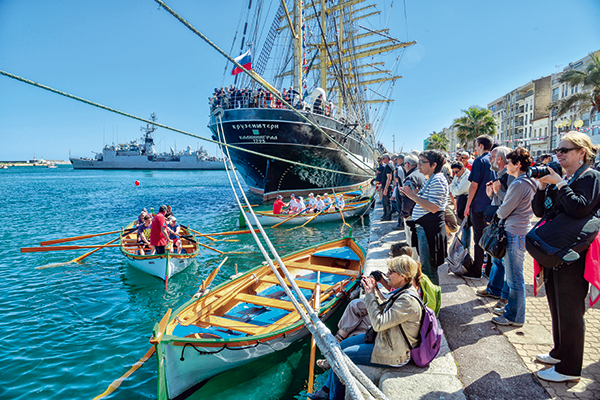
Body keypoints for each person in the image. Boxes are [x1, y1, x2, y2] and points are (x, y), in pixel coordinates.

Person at [532, 132, 600, 383]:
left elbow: (579, 207)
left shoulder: (591, 177)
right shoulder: (566, 177)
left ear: (581, 152)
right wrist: (542, 186)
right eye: (557, 149)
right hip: (555, 250)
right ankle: (559, 353)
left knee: (571, 311)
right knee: (556, 305)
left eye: (565, 150)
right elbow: (540, 211)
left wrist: (560, 184)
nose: (559, 154)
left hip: (575, 253)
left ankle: (570, 369)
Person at [309, 255, 422, 400]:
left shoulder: (407, 300)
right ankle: (326, 390)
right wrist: (374, 289)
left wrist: (369, 294)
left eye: (390, 272)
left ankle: (333, 396)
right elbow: (384, 309)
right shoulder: (403, 291)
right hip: (387, 340)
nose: (387, 274)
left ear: (402, 276)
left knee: (344, 357)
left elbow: (379, 323)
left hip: (394, 353)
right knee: (342, 345)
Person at [488, 147, 537, 327]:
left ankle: (514, 316)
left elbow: (505, 209)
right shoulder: (529, 181)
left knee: (514, 278)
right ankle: (512, 310)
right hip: (520, 230)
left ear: (517, 164)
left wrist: (497, 211)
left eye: (509, 163)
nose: (506, 166)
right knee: (514, 276)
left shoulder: (519, 183)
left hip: (514, 231)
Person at [400, 150, 449, 284]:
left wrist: (412, 196)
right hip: (425, 228)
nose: (419, 165)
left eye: (422, 162)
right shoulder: (431, 179)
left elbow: (434, 207)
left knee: (429, 270)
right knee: (426, 268)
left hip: (430, 230)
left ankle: (432, 303)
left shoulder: (437, 180)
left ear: (433, 165)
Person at [476, 146, 513, 308]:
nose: (490, 159)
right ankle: (494, 288)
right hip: (498, 223)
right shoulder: (499, 175)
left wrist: (496, 192)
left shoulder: (510, 177)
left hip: (507, 225)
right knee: (496, 259)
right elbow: (497, 200)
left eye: (492, 156)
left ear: (500, 159)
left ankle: (505, 297)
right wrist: (491, 194)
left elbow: (510, 202)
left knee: (505, 262)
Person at [463, 135, 496, 279]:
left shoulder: (479, 161)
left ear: (481, 146)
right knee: (490, 237)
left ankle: (476, 270)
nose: (475, 148)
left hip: (479, 205)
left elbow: (474, 185)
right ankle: (489, 269)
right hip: (492, 205)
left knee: (479, 239)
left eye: (476, 145)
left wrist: (467, 205)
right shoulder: (494, 160)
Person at [399, 155, 426, 226]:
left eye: (404, 164)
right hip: (423, 211)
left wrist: (405, 214)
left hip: (413, 214)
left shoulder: (410, 178)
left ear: (407, 164)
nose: (404, 166)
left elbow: (407, 199)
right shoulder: (421, 174)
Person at [380, 154, 394, 221]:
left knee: (387, 202)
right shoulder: (388, 165)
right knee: (385, 201)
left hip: (387, 187)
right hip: (386, 186)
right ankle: (385, 215)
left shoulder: (388, 166)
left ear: (387, 158)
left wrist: (385, 189)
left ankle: (387, 216)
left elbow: (389, 178)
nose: (382, 160)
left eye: (383, 158)